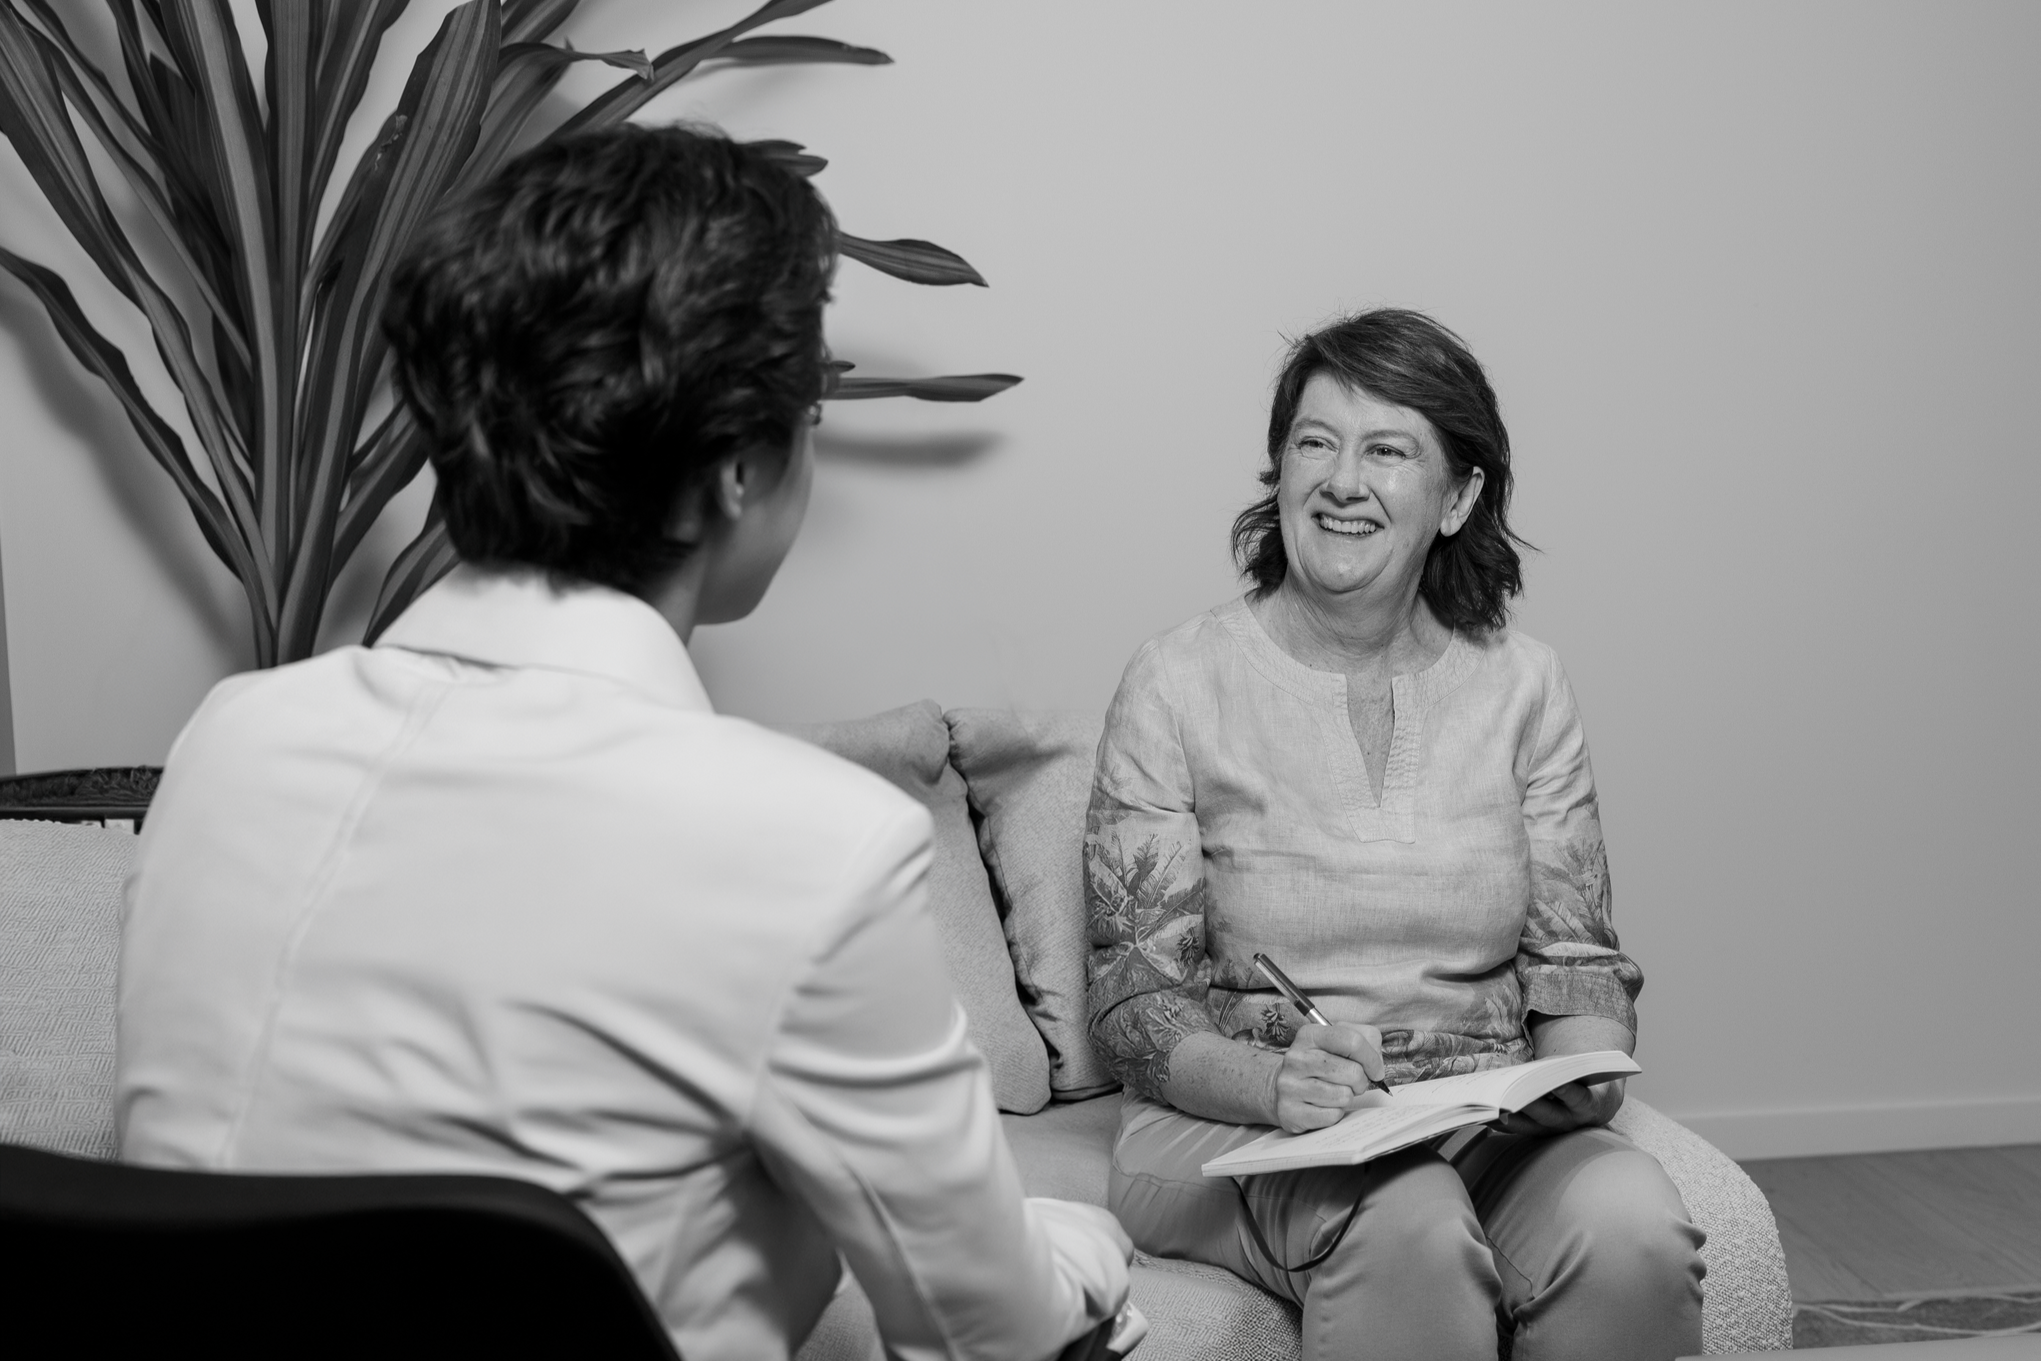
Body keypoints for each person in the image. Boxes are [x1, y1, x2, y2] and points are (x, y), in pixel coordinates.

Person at [116, 124, 1130, 1361]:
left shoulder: (228, 741)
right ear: (740, 469)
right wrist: (1078, 1248)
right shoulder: (809, 843)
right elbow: (981, 1332)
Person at [1085, 309, 1704, 1361]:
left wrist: (1584, 1065)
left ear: (1456, 496)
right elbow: (1134, 1001)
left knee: (1631, 1226)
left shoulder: (1524, 684)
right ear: (1277, 470)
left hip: (1479, 1116)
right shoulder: (1175, 680)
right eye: (1314, 442)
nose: (1340, 480)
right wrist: (1273, 1083)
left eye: (1387, 450)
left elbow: (1578, 962)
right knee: (1407, 1214)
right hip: (1235, 1120)